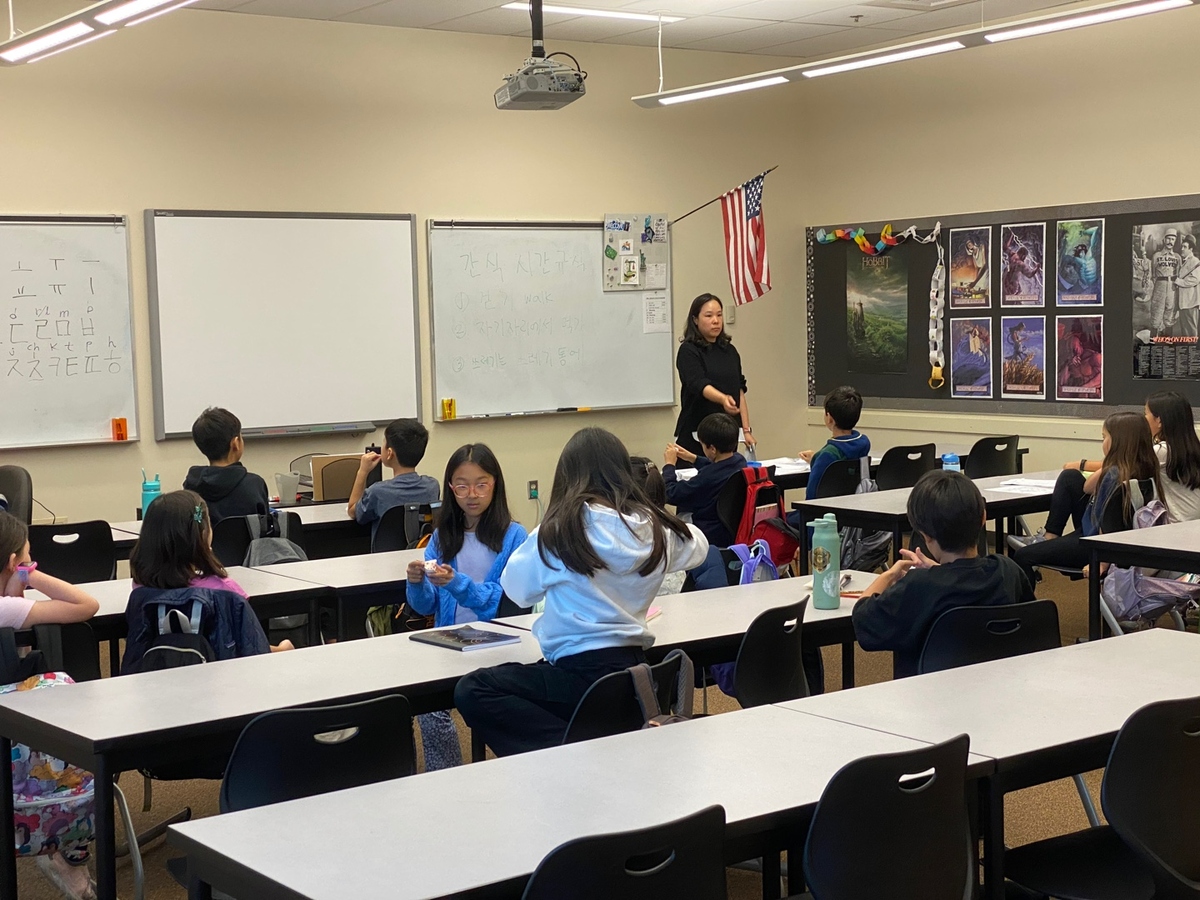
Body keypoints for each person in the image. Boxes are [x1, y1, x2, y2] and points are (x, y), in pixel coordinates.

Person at [454, 427, 709, 756]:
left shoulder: (559, 531)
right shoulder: (652, 527)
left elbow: (516, 590)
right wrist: (649, 516)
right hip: (634, 677)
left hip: (578, 676)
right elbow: (699, 545)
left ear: (567, 476)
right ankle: (583, 750)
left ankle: (572, 756)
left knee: (474, 689)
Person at [405, 444, 526, 770]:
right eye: (462, 486)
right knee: (427, 707)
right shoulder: (443, 537)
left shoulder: (514, 537)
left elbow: (501, 601)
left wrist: (455, 582)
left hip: (497, 641)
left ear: (495, 484)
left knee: (497, 710)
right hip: (449, 641)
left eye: (481, 484)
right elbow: (425, 605)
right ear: (450, 488)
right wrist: (416, 582)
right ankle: (446, 774)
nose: (472, 494)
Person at [2, 511, 100, 900]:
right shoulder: (7, 610)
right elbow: (85, 605)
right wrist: (29, 576)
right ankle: (66, 851)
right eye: (27, 559)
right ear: (13, 562)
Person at [851, 471, 1035, 679]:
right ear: (983, 518)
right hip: (1002, 686)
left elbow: (863, 620)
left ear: (925, 535)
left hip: (927, 693)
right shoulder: (1007, 571)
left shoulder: (919, 586)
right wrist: (939, 571)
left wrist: (888, 576)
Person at [127, 490, 292, 662]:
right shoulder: (225, 591)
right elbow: (251, 648)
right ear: (204, 534)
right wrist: (283, 650)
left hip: (156, 672)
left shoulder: (140, 588)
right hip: (220, 674)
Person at [1010, 412, 1161, 585]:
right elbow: (1086, 487)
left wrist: (1102, 563)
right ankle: (1050, 536)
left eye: (1104, 437)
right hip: (1114, 540)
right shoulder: (1146, 469)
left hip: (1096, 544)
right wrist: (1111, 461)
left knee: (1023, 555)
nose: (1102, 442)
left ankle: (1026, 604)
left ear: (1116, 442)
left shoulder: (1114, 476)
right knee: (1070, 476)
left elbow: (1108, 527)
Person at [674, 293, 753, 457]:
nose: (716, 321)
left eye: (719, 315)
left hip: (726, 435)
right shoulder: (688, 350)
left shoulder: (729, 351)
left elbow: (739, 390)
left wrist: (746, 430)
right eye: (709, 316)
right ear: (695, 319)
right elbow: (698, 384)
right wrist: (723, 399)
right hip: (697, 433)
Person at [662, 413, 746, 547]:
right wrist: (693, 458)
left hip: (709, 532)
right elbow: (718, 468)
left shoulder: (706, 479)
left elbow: (670, 493)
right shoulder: (740, 461)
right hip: (731, 529)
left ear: (712, 449)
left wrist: (669, 465)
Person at [348, 418, 440, 540]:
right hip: (421, 550)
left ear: (389, 453)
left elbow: (352, 511)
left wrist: (363, 471)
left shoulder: (377, 492)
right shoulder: (432, 486)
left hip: (386, 553)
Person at [182, 407, 270, 524]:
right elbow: (264, 527)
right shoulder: (254, 485)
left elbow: (195, 523)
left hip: (206, 537)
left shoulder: (191, 486)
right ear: (235, 443)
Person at [798, 386, 870, 501]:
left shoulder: (827, 455)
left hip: (824, 510)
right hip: (853, 506)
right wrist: (815, 459)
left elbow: (812, 495)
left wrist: (819, 459)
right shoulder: (863, 444)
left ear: (829, 419)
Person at [1145, 390, 1200, 522]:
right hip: (1194, 522)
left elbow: (1126, 464)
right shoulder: (1192, 447)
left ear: (1159, 420)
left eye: (1145, 414)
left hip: (1175, 524)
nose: (1144, 419)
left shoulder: (1161, 451)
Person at [1149, 228, 1181, 337]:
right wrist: (1159, 284)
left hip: (1172, 286)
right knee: (1156, 310)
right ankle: (1153, 339)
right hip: (1160, 284)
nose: (1170, 242)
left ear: (1175, 241)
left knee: (1170, 311)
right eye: (1168, 239)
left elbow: (1179, 273)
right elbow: (1153, 274)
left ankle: (1168, 340)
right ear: (1164, 240)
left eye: (1172, 239)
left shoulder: (1177, 257)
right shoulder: (1156, 255)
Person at [1175, 234, 1200, 337]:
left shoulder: (1195, 262)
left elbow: (1195, 280)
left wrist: (1178, 281)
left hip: (1191, 303)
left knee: (1191, 330)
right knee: (1185, 330)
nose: (1182, 249)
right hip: (1184, 302)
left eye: (1185, 247)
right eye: (1182, 246)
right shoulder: (1185, 261)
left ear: (1191, 249)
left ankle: (1193, 347)